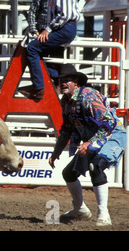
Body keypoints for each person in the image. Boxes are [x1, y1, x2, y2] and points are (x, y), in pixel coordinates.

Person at [48, 64, 126, 226]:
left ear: (75, 82)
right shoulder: (66, 102)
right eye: (61, 80)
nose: (62, 83)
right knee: (69, 173)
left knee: (95, 166)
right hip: (95, 138)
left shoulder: (88, 97)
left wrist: (90, 143)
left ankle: (104, 214)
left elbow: (109, 122)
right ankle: (80, 209)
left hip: (112, 135)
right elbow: (67, 129)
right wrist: (56, 152)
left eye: (67, 80)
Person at [19, 0, 80, 100]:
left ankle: (40, 87)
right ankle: (52, 82)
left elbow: (65, 14)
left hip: (64, 27)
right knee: (50, 53)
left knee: (33, 48)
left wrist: (47, 30)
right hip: (65, 28)